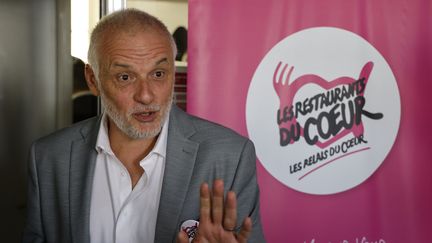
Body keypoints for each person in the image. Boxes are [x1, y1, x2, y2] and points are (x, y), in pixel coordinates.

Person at [22, 9, 265, 243]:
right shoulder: (49, 158)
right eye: (125, 77)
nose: (146, 96)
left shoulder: (230, 156)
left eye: (158, 74)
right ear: (93, 80)